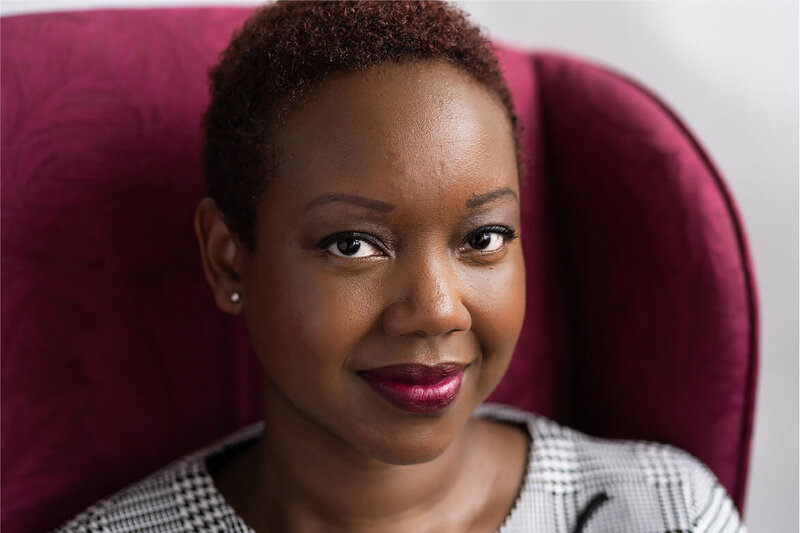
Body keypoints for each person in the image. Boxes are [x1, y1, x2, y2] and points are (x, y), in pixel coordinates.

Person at [56, 2, 746, 532]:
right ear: (228, 258)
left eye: (483, 237)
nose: (438, 308)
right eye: (353, 244)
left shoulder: (661, 508)